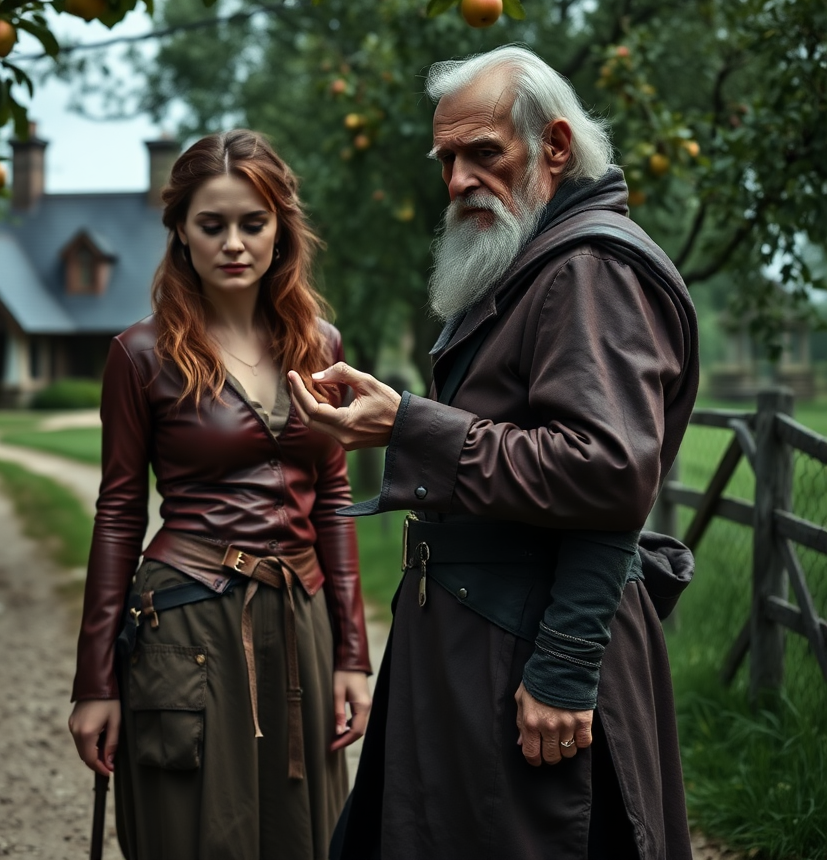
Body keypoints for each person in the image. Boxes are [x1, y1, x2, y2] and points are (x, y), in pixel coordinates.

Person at [287, 46, 700, 860]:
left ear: (553, 147)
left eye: (484, 153)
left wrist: (564, 668)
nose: (459, 180)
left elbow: (607, 475)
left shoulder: (589, 269)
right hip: (482, 635)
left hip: (529, 644)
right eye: (447, 159)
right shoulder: (535, 263)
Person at [69, 129, 372, 860]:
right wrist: (95, 682)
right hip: (187, 624)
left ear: (280, 229)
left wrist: (352, 655)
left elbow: (333, 497)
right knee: (199, 834)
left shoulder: (319, 344)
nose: (233, 243)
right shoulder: (140, 355)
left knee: (302, 832)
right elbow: (117, 516)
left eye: (252, 223)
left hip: (300, 620)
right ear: (181, 232)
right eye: (212, 224)